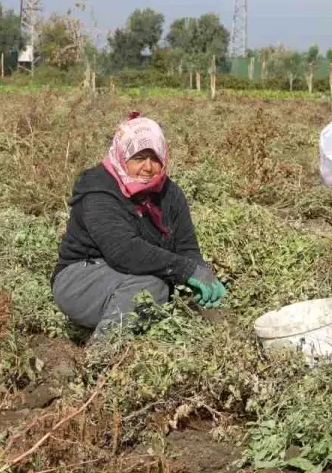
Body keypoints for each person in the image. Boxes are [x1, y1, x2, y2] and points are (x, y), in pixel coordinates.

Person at [52, 112, 227, 338]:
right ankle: (104, 351)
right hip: (80, 278)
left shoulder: (170, 193)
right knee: (150, 288)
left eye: (155, 158)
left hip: (132, 274)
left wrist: (202, 273)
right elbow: (123, 250)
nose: (148, 167)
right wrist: (186, 270)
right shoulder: (98, 190)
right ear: (122, 156)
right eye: (139, 158)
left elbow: (187, 248)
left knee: (166, 290)